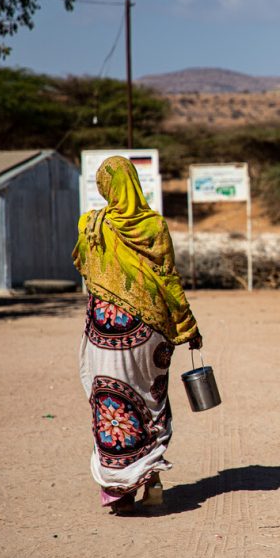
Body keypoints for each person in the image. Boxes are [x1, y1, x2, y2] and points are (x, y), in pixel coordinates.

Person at [73, 156, 202, 515]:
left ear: (105, 187)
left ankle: (119, 490)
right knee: (148, 399)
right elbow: (169, 279)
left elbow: (85, 268)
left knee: (110, 403)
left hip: (104, 328)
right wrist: (188, 326)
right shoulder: (153, 226)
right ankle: (151, 478)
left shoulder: (90, 224)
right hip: (149, 331)